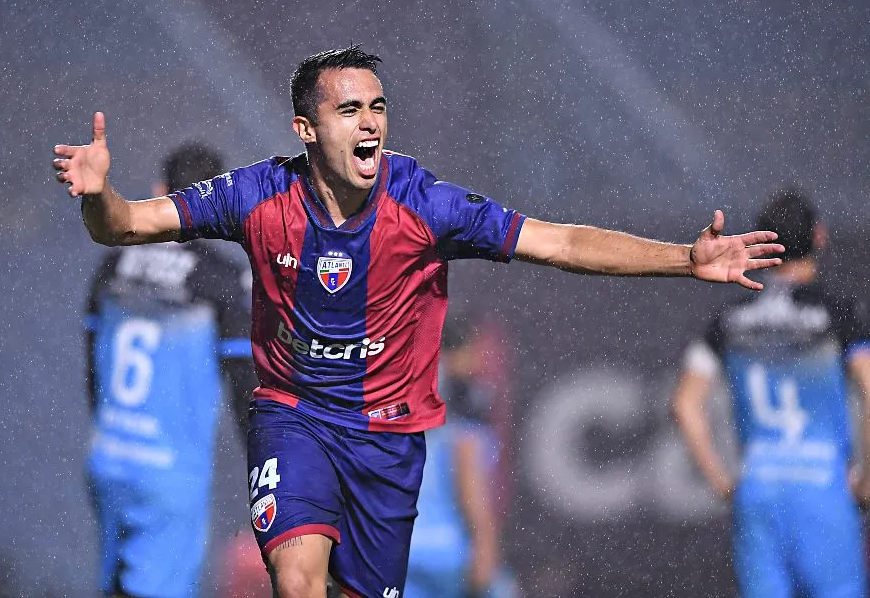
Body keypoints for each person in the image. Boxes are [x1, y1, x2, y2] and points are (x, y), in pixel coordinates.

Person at [54, 46, 783, 598]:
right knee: (298, 579)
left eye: (377, 107)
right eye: (349, 111)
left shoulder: (426, 205)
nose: (370, 123)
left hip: (388, 438)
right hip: (295, 418)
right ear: (306, 129)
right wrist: (97, 193)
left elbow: (559, 242)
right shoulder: (256, 195)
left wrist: (685, 259)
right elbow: (124, 225)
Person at [672, 188, 870, 598]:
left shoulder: (730, 318)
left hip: (759, 490)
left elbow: (685, 404)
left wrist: (723, 482)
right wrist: (866, 481)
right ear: (819, 237)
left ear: (764, 242)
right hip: (824, 488)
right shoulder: (836, 313)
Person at [84, 143, 258, 598]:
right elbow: (246, 387)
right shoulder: (221, 280)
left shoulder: (114, 262)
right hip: (169, 474)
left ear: (160, 192)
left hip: (110, 456)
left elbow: (91, 364)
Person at [406, 317, 516, 598]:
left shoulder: (408, 414)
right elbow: (471, 492)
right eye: (474, 350)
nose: (480, 360)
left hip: (402, 551)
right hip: (449, 556)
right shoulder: (461, 426)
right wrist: (485, 544)